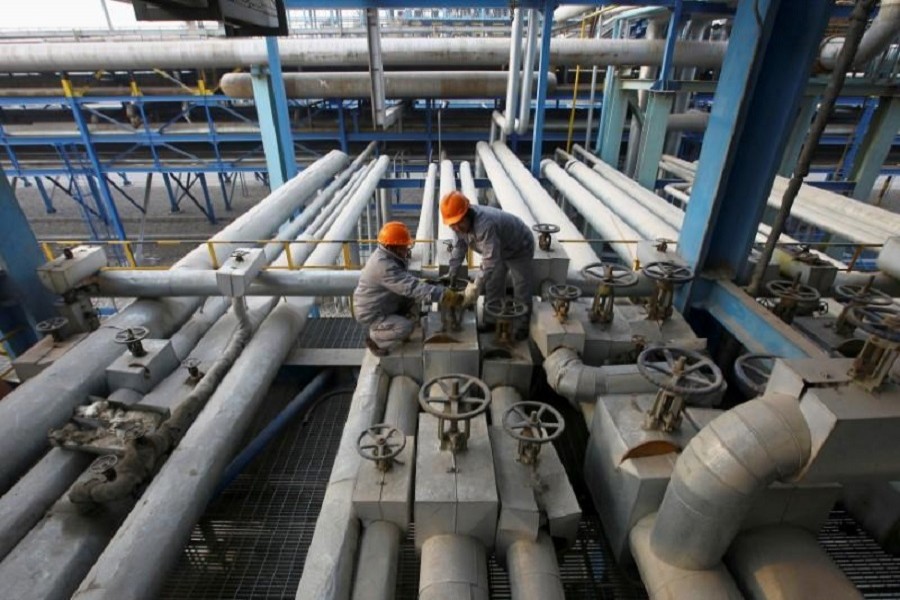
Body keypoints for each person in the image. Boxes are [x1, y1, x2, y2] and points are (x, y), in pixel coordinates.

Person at [354, 221, 463, 356]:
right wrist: (444, 295)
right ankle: (376, 338)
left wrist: (432, 284)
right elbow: (411, 287)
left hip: (385, 303)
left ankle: (391, 323)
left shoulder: (388, 256)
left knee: (415, 302)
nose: (407, 249)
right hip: (372, 313)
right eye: (403, 246)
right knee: (406, 327)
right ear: (392, 247)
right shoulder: (383, 266)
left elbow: (409, 283)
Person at [441, 190, 535, 338]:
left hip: (518, 246)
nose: (457, 228)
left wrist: (475, 287)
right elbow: (460, 246)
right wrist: (452, 271)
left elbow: (490, 260)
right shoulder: (459, 224)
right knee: (492, 283)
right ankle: (491, 321)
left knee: (521, 287)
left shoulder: (485, 224)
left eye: (459, 223)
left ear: (467, 214)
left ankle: (522, 327)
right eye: (453, 226)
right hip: (499, 248)